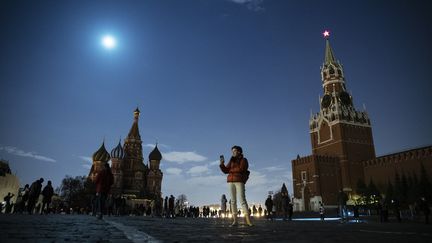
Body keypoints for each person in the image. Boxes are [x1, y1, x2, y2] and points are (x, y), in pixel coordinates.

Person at [219, 145, 253, 226]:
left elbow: (242, 169)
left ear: (239, 151)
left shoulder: (244, 160)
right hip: (231, 181)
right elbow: (226, 170)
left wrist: (231, 170)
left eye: (234, 151)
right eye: (232, 151)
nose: (233, 153)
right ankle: (235, 221)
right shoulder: (231, 160)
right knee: (233, 201)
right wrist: (222, 164)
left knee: (242, 200)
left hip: (239, 181)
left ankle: (248, 220)